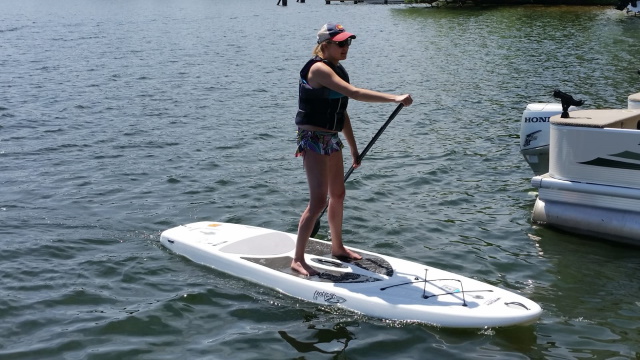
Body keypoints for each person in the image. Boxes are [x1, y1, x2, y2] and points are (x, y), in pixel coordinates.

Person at [292, 23, 413, 276]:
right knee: (317, 203)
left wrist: (353, 149)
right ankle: (298, 259)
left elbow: (342, 111)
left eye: (348, 42)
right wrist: (394, 97)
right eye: (341, 43)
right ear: (326, 45)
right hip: (313, 139)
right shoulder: (318, 69)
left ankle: (338, 248)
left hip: (332, 139)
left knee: (338, 194)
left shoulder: (338, 69)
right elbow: (355, 94)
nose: (346, 47)